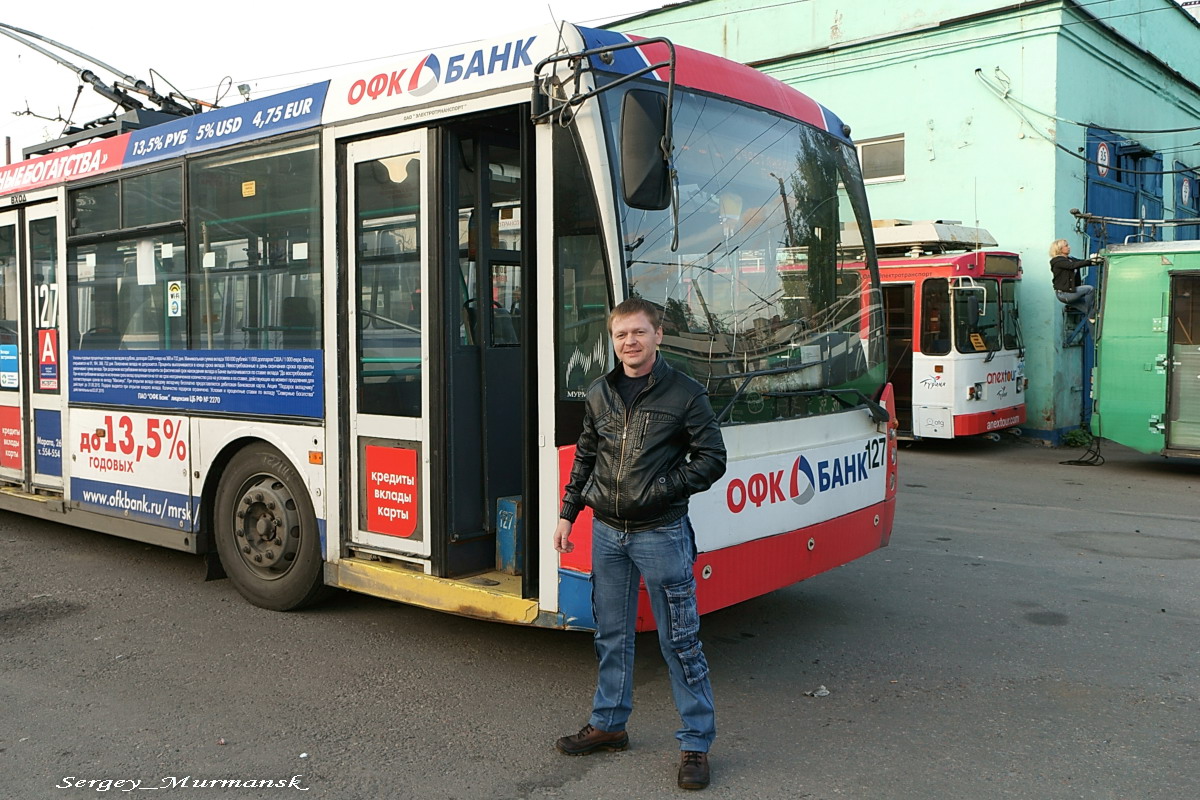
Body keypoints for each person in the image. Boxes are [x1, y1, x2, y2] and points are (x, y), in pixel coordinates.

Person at [553, 297, 727, 791]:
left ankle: (696, 743)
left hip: (661, 533)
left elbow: (712, 458)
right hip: (606, 533)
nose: (629, 342)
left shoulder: (685, 393)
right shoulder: (599, 393)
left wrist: (659, 490)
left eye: (638, 332)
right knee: (611, 634)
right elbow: (586, 456)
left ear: (658, 335)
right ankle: (609, 723)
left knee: (681, 641)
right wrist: (569, 514)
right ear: (613, 341)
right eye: (620, 335)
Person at [1049, 239, 1098, 321]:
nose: (1069, 247)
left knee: (1091, 313)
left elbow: (1081, 262)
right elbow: (1072, 266)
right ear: (1060, 248)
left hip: (1071, 292)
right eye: (1066, 246)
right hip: (1064, 294)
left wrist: (1095, 261)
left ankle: (1093, 327)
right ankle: (1092, 316)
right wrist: (1091, 261)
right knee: (1090, 289)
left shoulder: (1070, 259)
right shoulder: (1057, 261)